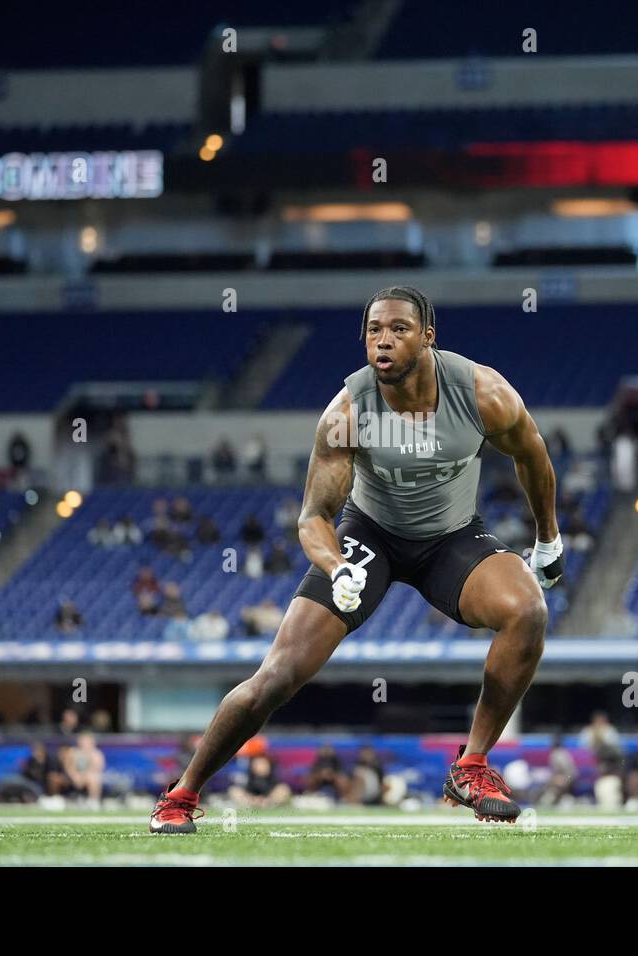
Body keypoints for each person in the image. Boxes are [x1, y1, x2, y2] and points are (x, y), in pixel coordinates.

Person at [149, 287, 563, 834]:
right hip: (369, 537)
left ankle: (472, 766)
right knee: (278, 675)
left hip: (452, 537)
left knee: (527, 610)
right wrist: (338, 567)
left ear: (428, 337)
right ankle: (181, 795)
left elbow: (532, 453)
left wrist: (548, 539)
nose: (383, 340)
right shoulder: (347, 411)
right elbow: (313, 516)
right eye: (373, 330)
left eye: (398, 329)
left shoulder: (483, 393)